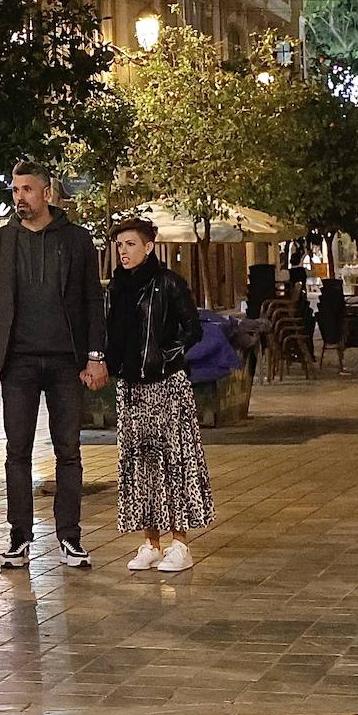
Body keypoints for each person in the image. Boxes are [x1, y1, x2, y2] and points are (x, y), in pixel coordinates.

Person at [0, 161, 107, 570]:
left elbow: (92, 301)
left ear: (47, 193)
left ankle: (70, 537)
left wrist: (95, 356)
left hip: (66, 362)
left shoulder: (76, 239)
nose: (20, 197)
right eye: (15, 190)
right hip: (17, 363)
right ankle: (19, 537)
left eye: (27, 189)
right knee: (17, 451)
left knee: (69, 450)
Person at [107, 217, 214, 573]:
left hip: (166, 384)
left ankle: (180, 543)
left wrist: (169, 354)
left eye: (131, 244)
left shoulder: (168, 283)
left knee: (174, 461)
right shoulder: (117, 288)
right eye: (120, 245)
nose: (124, 251)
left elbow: (193, 328)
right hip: (131, 387)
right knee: (139, 463)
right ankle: (150, 542)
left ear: (149, 246)